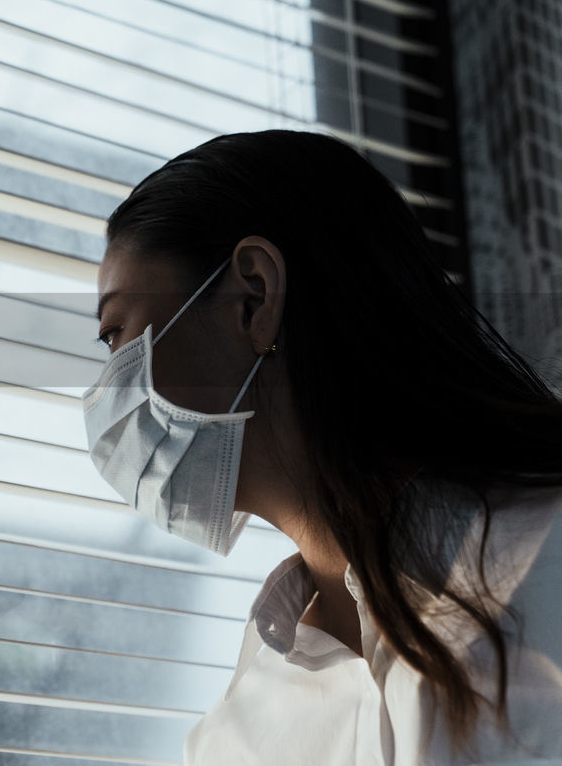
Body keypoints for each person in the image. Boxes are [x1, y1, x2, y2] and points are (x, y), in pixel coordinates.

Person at [80, 130, 562, 765]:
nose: (107, 391)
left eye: (117, 333)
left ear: (253, 299)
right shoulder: (235, 738)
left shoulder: (547, 558)